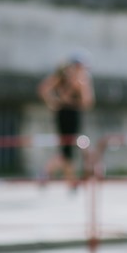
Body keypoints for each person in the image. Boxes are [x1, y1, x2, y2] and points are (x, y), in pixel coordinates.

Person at [37, 55, 94, 188]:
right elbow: (87, 102)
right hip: (69, 115)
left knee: (69, 149)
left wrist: (55, 101)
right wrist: (57, 101)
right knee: (68, 149)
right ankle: (48, 172)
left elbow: (44, 89)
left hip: (66, 114)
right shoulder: (71, 78)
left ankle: (71, 181)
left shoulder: (65, 77)